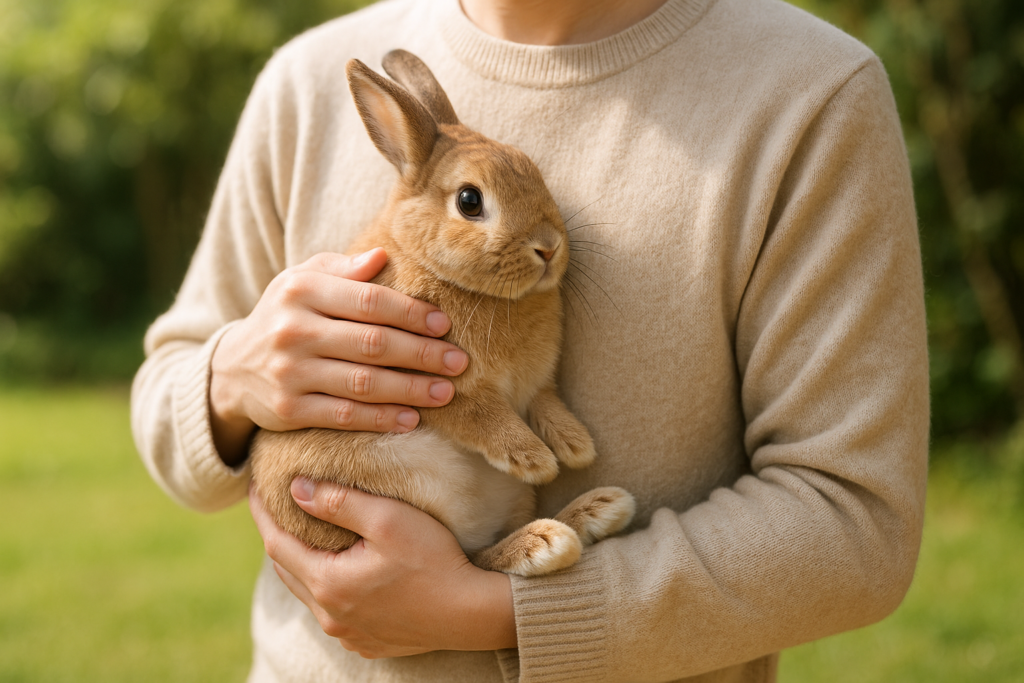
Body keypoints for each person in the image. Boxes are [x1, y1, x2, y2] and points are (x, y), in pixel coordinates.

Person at [130, 0, 930, 680]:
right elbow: (168, 393)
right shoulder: (305, 83)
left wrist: (505, 612)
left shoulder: (809, 94)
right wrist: (229, 376)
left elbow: (854, 522)